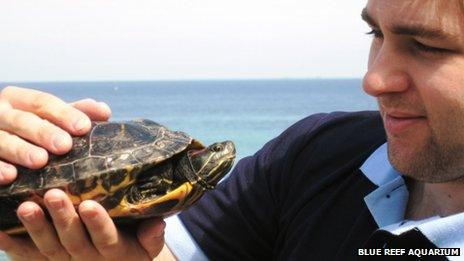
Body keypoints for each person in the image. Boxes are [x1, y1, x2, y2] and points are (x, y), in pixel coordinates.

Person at [1, 0, 464, 259]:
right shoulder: (314, 154)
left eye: (425, 45)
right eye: (375, 36)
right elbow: (162, 256)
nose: (373, 80)